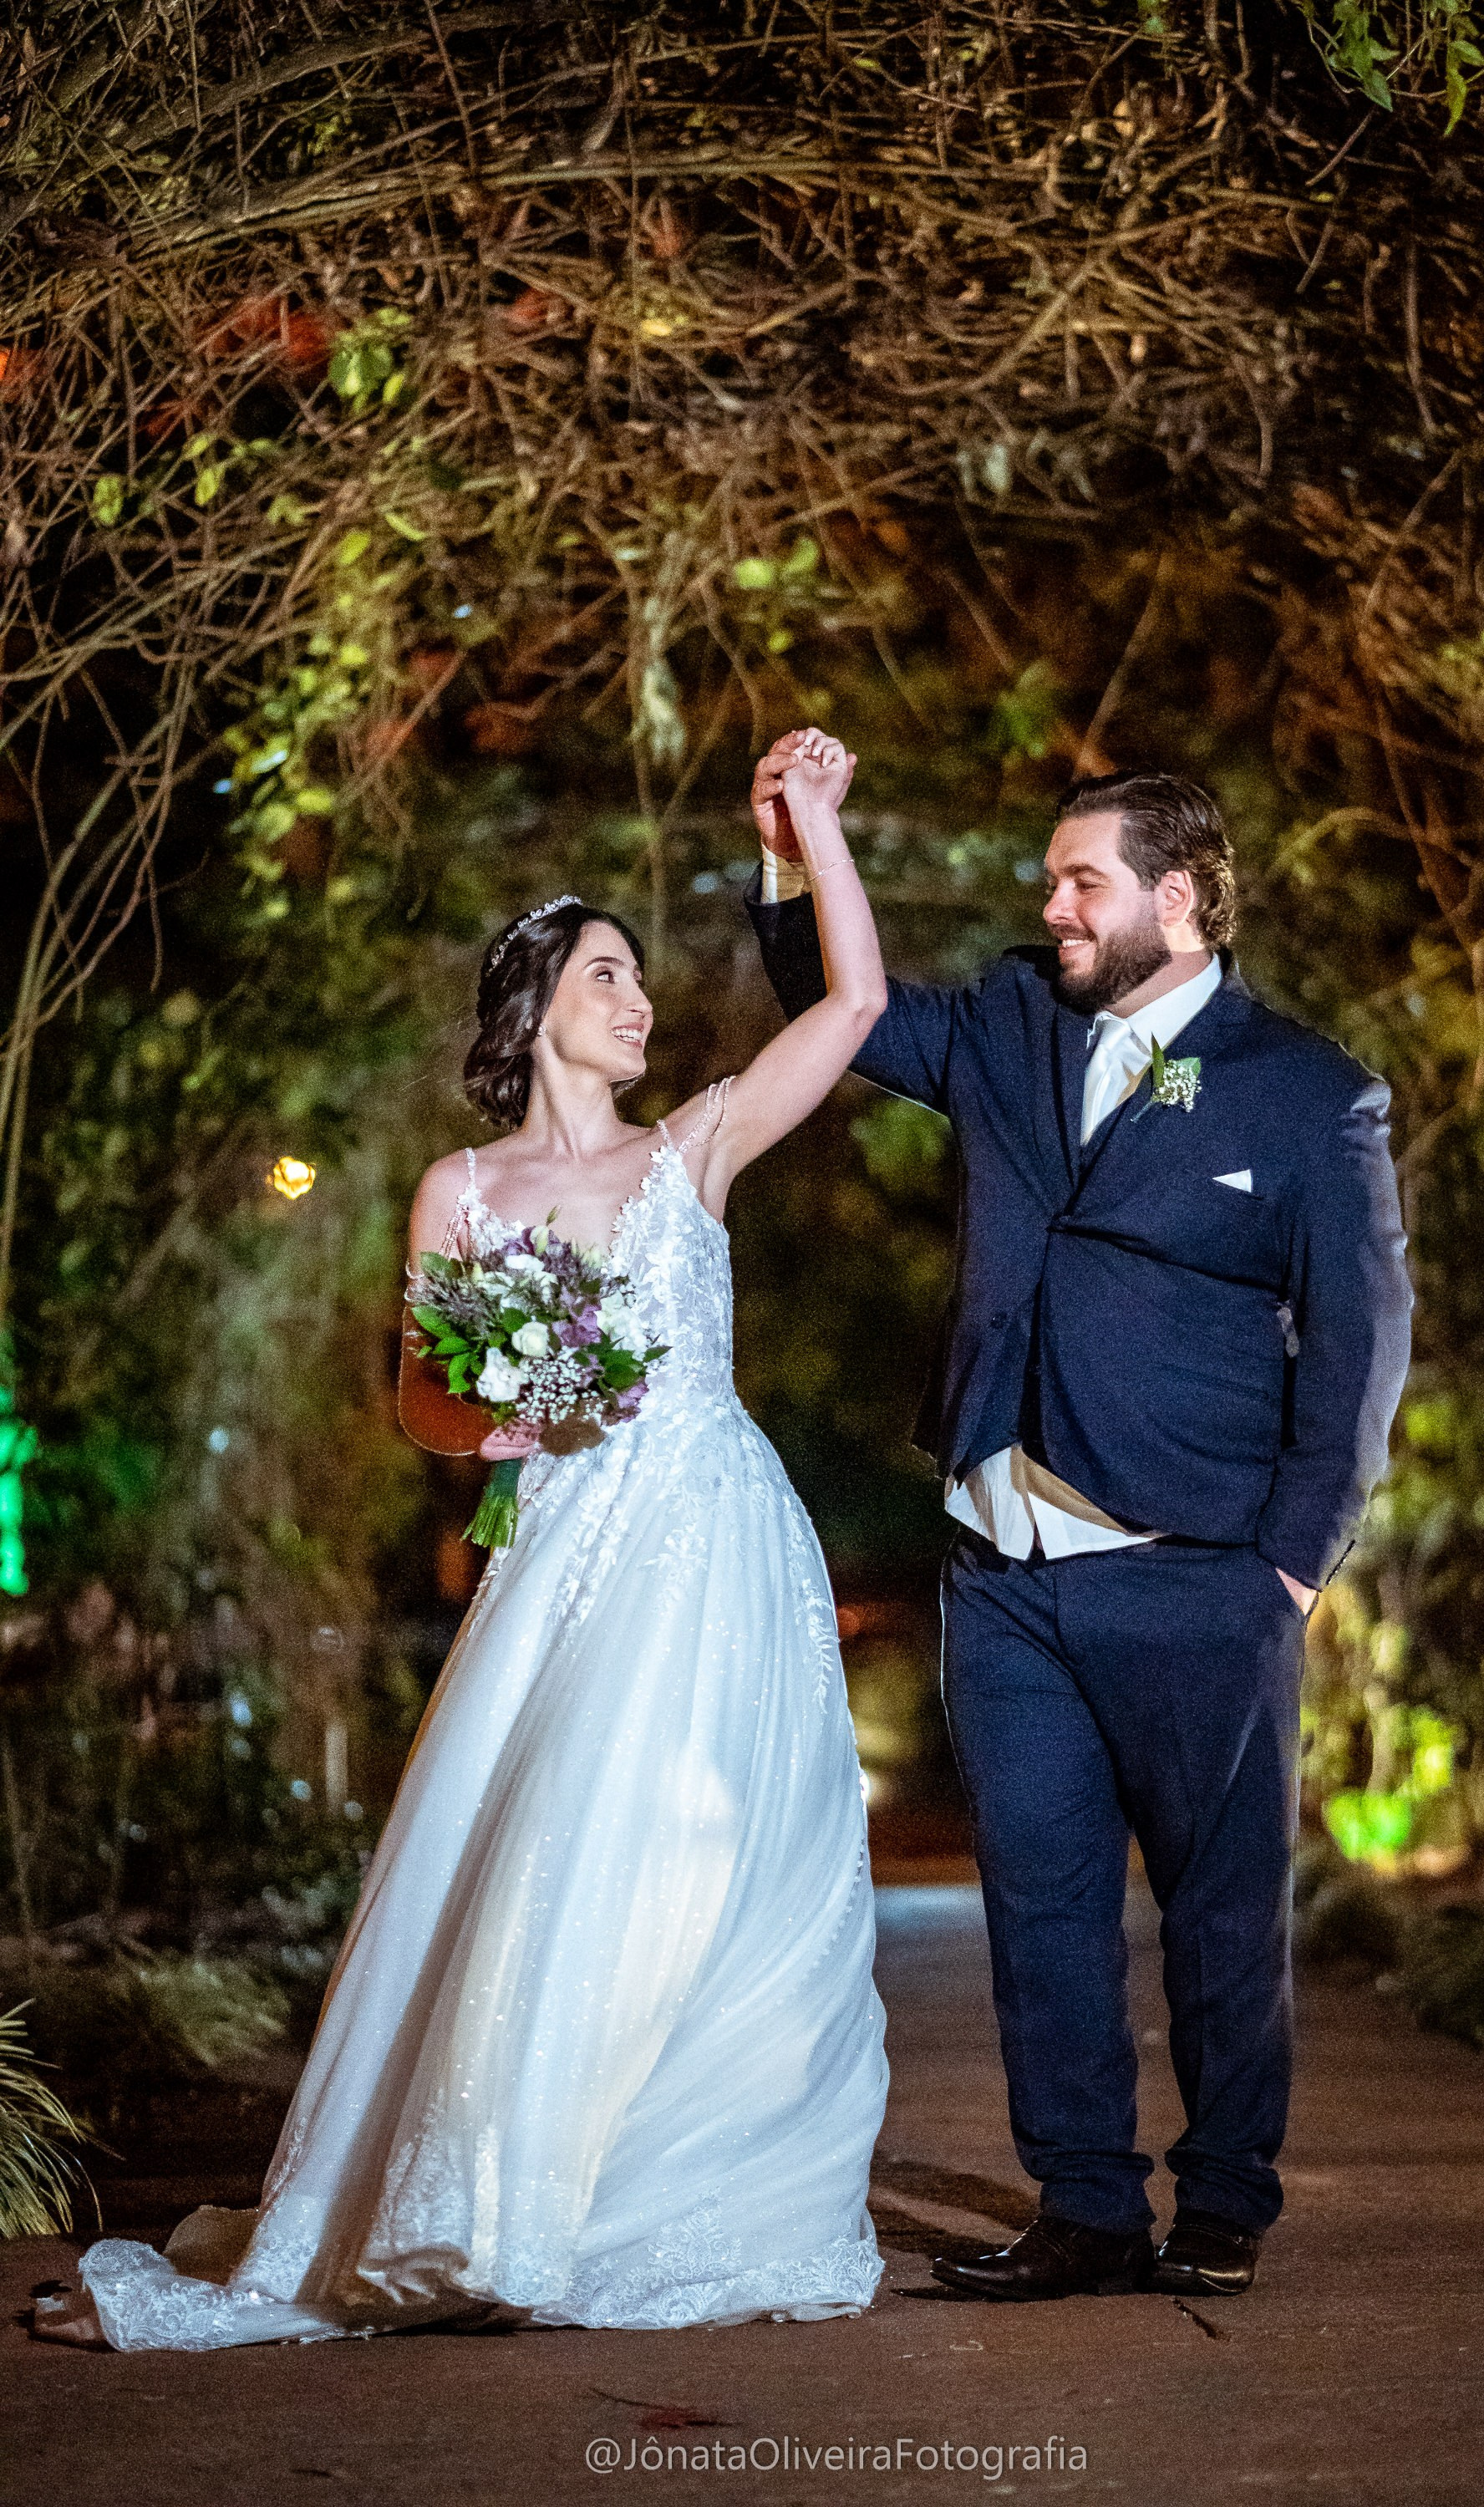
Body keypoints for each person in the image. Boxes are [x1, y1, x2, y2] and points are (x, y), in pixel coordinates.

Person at [40, 730, 890, 2350]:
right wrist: (527, 1410)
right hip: (564, 1555)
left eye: (639, 979)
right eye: (607, 974)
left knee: (706, 1868)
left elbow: (852, 1006)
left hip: (717, 1543)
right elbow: (427, 1397)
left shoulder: (691, 1149)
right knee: (549, 1861)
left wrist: (811, 831)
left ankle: (675, 2186)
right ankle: (494, 2201)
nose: (638, 1001)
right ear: (537, 1005)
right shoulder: (462, 1190)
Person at [747, 750, 1411, 2302]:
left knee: (1219, 1914)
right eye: (1051, 880)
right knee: (1042, 1909)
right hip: (1005, 1574)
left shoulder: (1309, 1092)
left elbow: (1362, 1345)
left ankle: (1225, 2199)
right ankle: (1086, 2206)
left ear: (1176, 901)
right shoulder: (1007, 1021)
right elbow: (838, 1006)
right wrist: (792, 853)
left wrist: (1291, 1565)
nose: (1050, 906)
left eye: (1081, 882)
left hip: (1201, 1572)